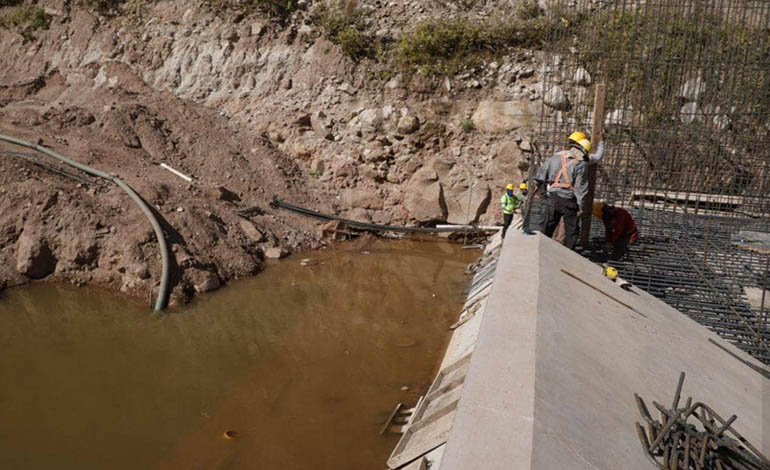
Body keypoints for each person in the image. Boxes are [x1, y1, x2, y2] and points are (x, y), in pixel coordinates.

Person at [534, 133, 591, 250]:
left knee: (545, 228)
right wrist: (581, 207)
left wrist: (543, 195)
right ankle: (569, 254)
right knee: (571, 232)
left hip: (552, 199)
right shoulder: (581, 164)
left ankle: (541, 250)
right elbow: (581, 189)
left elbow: (540, 177)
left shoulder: (555, 158)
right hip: (569, 201)